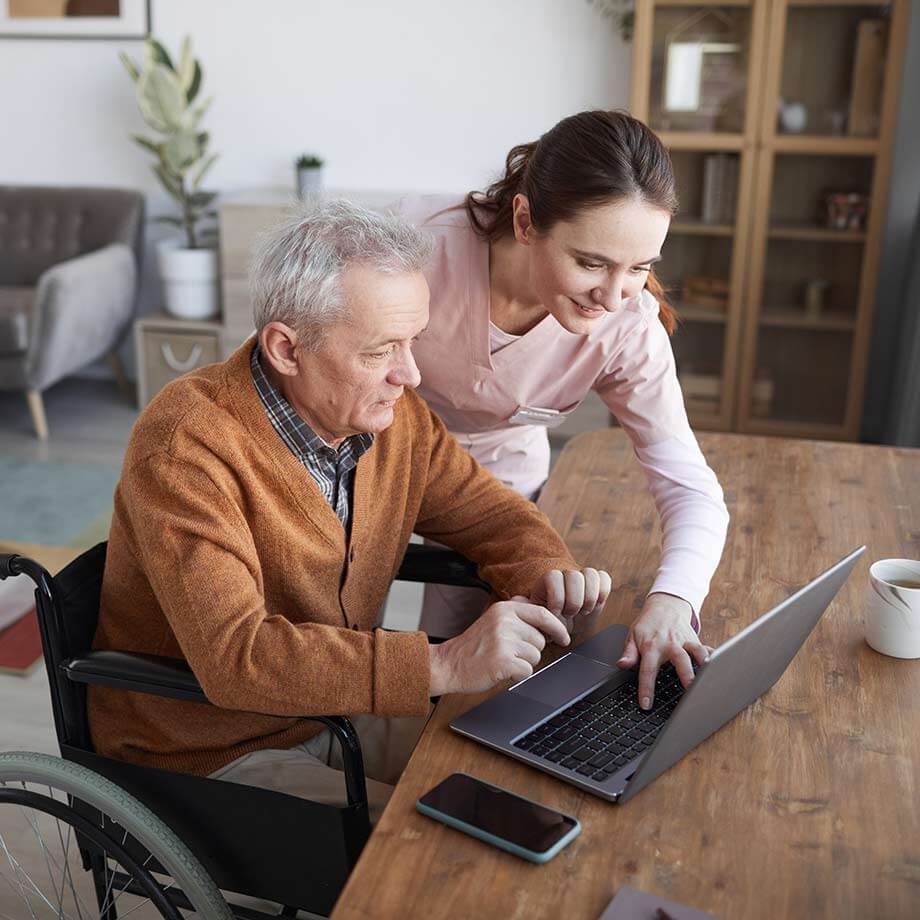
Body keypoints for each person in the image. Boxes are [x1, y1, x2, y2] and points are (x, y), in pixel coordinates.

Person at [88, 201, 611, 821]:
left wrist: (547, 572)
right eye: (381, 351)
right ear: (287, 348)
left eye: (413, 341)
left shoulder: (391, 419)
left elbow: (485, 512)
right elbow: (238, 658)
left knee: (532, 770)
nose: (410, 375)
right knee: (444, 841)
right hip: (211, 747)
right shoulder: (186, 444)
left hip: (334, 712)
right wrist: (441, 663)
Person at [395, 110, 730, 712]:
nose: (613, 295)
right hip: (374, 459)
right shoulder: (414, 249)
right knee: (346, 636)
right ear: (526, 221)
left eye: (641, 267)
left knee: (470, 676)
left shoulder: (626, 326)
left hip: (497, 485)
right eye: (592, 262)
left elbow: (689, 485)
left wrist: (674, 600)